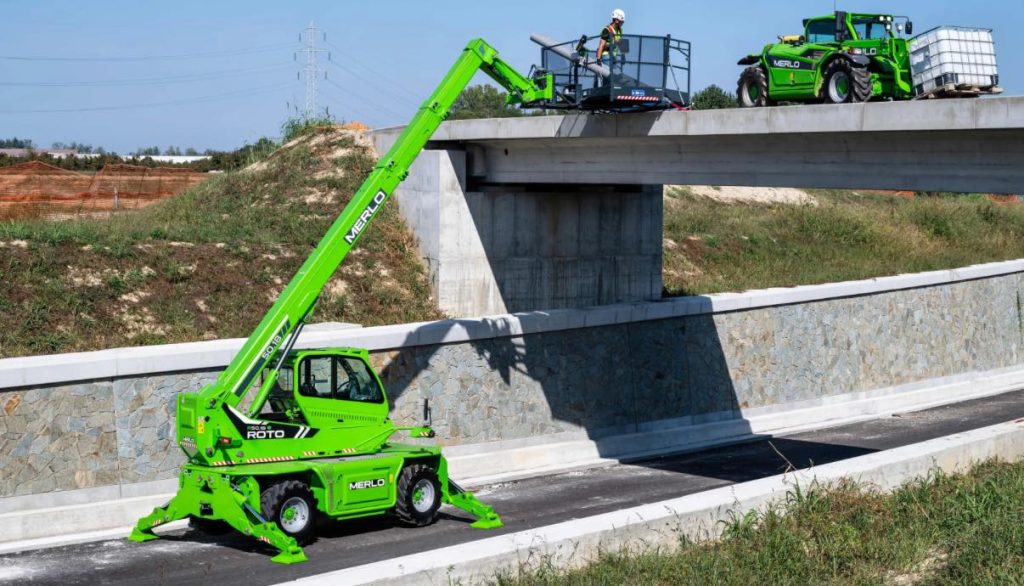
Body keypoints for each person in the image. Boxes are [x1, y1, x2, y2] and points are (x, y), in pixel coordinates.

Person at [596, 9, 626, 78]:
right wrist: (598, 59)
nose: (622, 24)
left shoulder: (620, 30)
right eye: (622, 22)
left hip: (614, 57)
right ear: (616, 20)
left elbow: (620, 42)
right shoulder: (607, 30)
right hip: (606, 56)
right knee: (609, 76)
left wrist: (623, 55)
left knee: (615, 77)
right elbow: (601, 45)